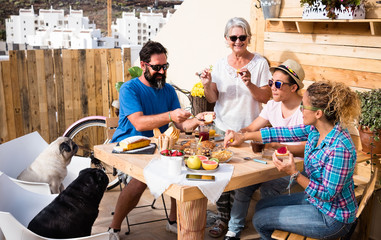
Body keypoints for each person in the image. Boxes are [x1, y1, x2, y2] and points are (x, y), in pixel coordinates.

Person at [108, 41, 213, 240]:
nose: (162, 72)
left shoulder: (168, 90)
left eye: (165, 67)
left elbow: (182, 126)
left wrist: (196, 120)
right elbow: (138, 123)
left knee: (180, 169)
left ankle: (173, 222)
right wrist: (171, 116)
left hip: (159, 147)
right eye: (157, 67)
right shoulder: (129, 89)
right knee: (141, 180)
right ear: (143, 65)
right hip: (129, 147)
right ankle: (114, 228)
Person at [250, 81, 360, 239]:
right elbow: (285, 133)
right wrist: (244, 136)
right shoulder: (315, 130)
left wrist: (293, 173)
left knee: (260, 220)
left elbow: (327, 195)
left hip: (332, 217)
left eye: (304, 106)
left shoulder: (339, 149)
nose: (300, 110)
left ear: (318, 113)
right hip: (315, 201)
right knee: (261, 205)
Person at [200, 17, 272, 238]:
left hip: (249, 131)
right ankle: (223, 219)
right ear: (226, 40)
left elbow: (266, 97)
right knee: (220, 177)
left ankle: (234, 224)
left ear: (248, 38)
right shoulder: (220, 64)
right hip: (223, 128)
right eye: (234, 37)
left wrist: (249, 83)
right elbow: (212, 97)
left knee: (242, 180)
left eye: (242, 37)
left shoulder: (260, 64)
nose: (238, 41)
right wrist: (205, 84)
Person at [222, 59, 306, 240]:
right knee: (244, 185)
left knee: (269, 188)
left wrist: (277, 146)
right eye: (270, 83)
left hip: (296, 165)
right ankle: (233, 231)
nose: (272, 88)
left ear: (293, 87)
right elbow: (252, 128)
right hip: (270, 160)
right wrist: (238, 134)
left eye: (277, 84)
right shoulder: (273, 105)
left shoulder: (304, 111)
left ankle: (266, 235)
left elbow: (308, 147)